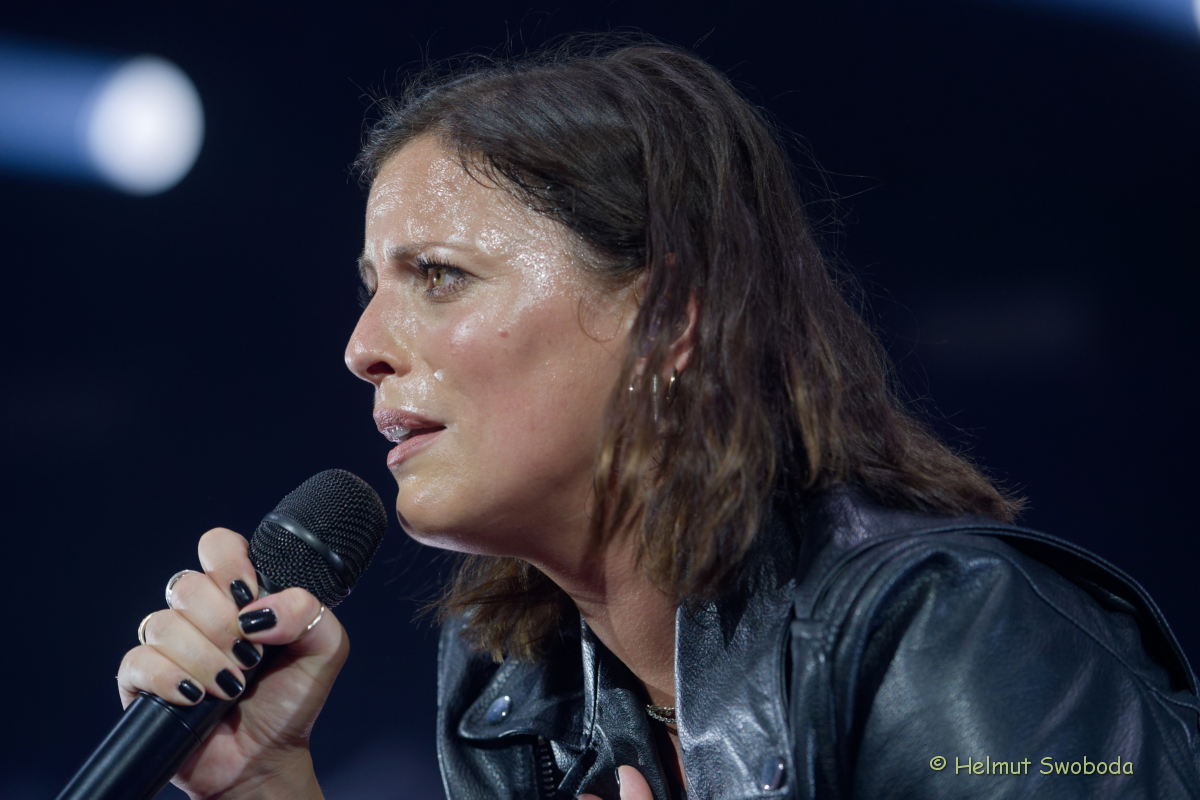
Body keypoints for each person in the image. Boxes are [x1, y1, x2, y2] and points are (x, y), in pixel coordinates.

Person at [115, 37, 1200, 799]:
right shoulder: (518, 690)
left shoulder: (959, 637)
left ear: (673, 318)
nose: (363, 346)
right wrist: (266, 783)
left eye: (439, 275)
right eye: (370, 286)